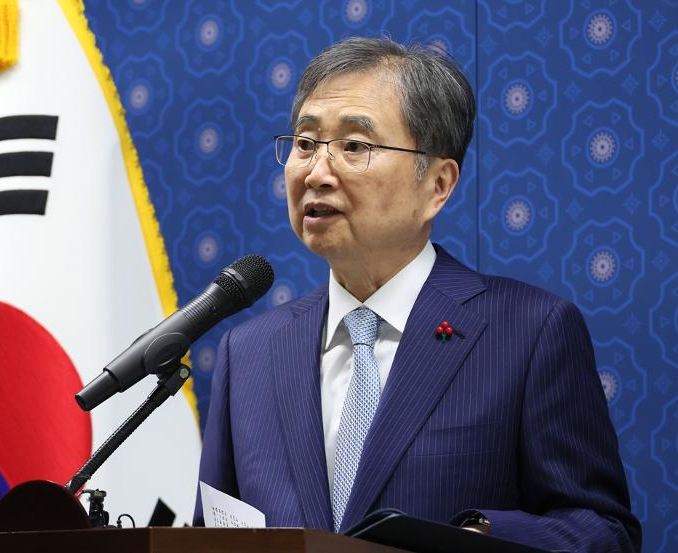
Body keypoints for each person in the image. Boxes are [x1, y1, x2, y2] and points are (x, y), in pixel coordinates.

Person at [194, 37, 640, 552]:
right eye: (305, 143)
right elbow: (212, 534)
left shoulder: (530, 333)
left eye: (355, 146)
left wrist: (479, 539)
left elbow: (603, 532)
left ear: (437, 185)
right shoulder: (248, 351)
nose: (316, 172)